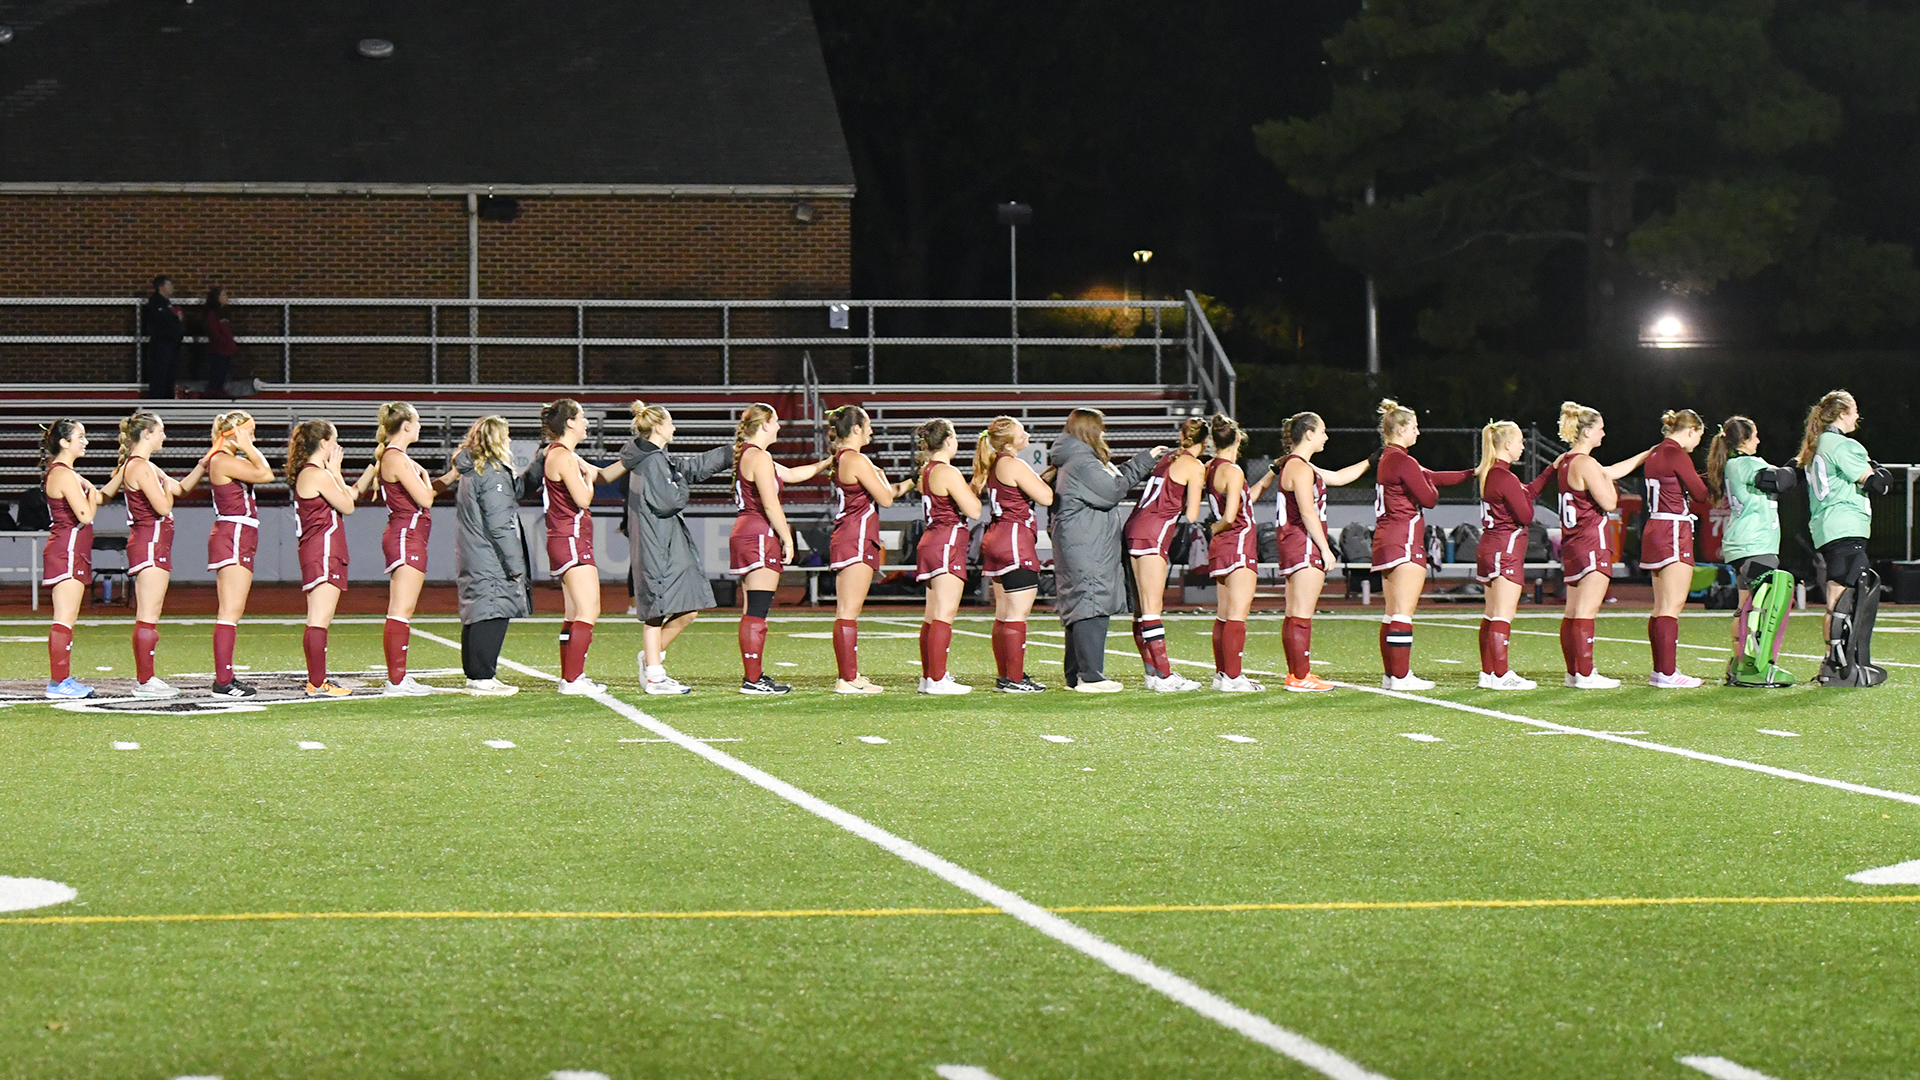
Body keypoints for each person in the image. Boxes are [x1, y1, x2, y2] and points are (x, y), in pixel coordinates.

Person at [615, 401, 733, 695]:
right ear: (658, 427)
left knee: (689, 606)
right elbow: (671, 500)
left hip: (666, 540)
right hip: (657, 542)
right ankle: (654, 674)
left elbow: (690, 468)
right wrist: (681, 483)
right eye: (670, 423)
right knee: (657, 608)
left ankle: (651, 659)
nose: (674, 427)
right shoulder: (652, 461)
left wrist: (729, 453)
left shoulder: (656, 457)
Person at [1049, 408, 1165, 692]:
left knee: (1082, 604)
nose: (1104, 434)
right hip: (1087, 544)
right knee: (1091, 602)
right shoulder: (1083, 462)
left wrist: (1145, 459)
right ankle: (1090, 675)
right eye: (1100, 428)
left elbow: (1113, 479)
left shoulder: (1079, 459)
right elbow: (1112, 490)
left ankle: (1076, 673)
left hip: (1082, 541)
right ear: (1089, 430)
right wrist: (1144, 463)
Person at [728, 403, 831, 695]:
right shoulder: (758, 456)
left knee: (753, 610)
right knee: (757, 611)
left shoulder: (753, 454)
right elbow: (771, 503)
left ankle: (754, 674)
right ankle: (752, 679)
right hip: (759, 532)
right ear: (764, 425)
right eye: (775, 422)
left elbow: (794, 475)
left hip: (747, 531)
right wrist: (788, 539)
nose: (779, 427)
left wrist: (826, 463)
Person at [1371, 399, 1474, 691]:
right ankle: (1401, 677)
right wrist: (1427, 487)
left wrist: (1472, 473)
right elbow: (1429, 496)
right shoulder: (1403, 460)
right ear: (1401, 428)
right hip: (1404, 539)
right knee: (1403, 612)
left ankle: (1392, 675)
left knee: (1392, 612)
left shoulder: (1388, 458)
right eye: (1414, 427)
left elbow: (1432, 476)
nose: (1418, 432)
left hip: (1386, 537)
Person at [1551, 402, 1654, 689]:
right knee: (1586, 612)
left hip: (1573, 544)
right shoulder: (1586, 463)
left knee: (1572, 612)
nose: (1604, 434)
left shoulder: (1567, 460)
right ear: (1586, 432)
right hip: (1591, 542)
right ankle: (1585, 673)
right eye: (1600, 429)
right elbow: (1609, 502)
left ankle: (1574, 672)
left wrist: (1645, 455)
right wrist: (1612, 487)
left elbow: (1609, 471)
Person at [1268, 411, 1370, 692]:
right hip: (1303, 543)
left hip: (1292, 543)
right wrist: (1326, 549)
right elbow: (1308, 512)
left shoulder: (1298, 464)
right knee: (1301, 614)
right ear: (1309, 434)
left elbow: (1337, 477)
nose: (1326, 436)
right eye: (1323, 431)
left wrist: (1371, 461)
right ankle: (1300, 677)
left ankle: (1297, 674)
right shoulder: (1299, 467)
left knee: (1294, 613)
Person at [1797, 389, 1891, 686]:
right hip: (1845, 524)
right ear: (1841, 413)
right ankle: (1841, 667)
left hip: (1827, 526)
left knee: (1836, 594)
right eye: (1853, 411)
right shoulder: (1840, 444)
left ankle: (1831, 663)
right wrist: (1880, 472)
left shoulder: (1815, 444)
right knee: (1845, 598)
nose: (1856, 417)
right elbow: (1877, 484)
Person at [118, 411, 207, 699]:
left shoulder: (146, 466)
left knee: (150, 614)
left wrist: (202, 466)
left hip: (152, 541)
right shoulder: (142, 468)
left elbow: (179, 488)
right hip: (150, 541)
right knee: (148, 615)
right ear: (147, 434)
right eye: (161, 431)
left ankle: (147, 678)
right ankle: (145, 681)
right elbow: (163, 506)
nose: (164, 437)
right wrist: (164, 489)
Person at [824, 405, 913, 694]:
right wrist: (883, 476)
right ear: (856, 428)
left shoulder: (844, 457)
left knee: (848, 610)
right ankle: (847, 678)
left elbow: (885, 493)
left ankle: (850, 675)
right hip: (856, 538)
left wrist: (912, 481)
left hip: (851, 536)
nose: (872, 430)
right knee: (848, 611)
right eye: (868, 425)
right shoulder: (856, 458)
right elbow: (886, 498)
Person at [369, 402, 455, 696]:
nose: (419, 427)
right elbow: (426, 498)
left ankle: (399, 677)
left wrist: (454, 474)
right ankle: (396, 680)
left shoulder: (400, 457)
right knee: (400, 610)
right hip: (406, 534)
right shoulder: (396, 458)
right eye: (417, 422)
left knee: (403, 610)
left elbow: (427, 492)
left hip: (409, 534)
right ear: (406, 425)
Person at [1706, 415, 1797, 687]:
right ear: (1744, 439)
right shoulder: (1746, 463)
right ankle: (1756, 666)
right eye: (1754, 435)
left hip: (1740, 545)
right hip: (1755, 544)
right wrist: (1799, 465)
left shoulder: (1733, 465)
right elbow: (1780, 481)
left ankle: (1738, 664)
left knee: (1745, 607)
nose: (1758, 440)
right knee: (1768, 605)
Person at [542, 398, 622, 695]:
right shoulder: (563, 456)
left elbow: (603, 475)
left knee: (574, 612)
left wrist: (633, 457)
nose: (587, 422)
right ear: (571, 422)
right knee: (589, 609)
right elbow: (585, 497)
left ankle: (570, 676)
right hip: (570, 537)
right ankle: (574, 679)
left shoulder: (563, 454)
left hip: (566, 537)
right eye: (583, 417)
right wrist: (587, 480)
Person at [1124, 417, 1209, 692]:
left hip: (1135, 524)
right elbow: (1193, 514)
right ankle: (1163, 675)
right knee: (1152, 607)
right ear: (1204, 442)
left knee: (1141, 609)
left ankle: (1152, 673)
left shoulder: (1167, 457)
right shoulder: (1194, 465)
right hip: (1154, 530)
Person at [972, 415, 1053, 693]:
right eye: (1022, 431)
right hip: (1014, 538)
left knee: (1003, 613)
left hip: (996, 536)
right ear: (1010, 440)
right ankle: (1014, 679)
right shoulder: (1013, 463)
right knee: (1017, 615)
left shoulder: (995, 463)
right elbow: (1046, 497)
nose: (1027, 435)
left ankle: (1007, 675)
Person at [40, 419, 118, 699]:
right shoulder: (63, 474)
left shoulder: (69, 473)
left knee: (67, 618)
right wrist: (89, 496)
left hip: (73, 549)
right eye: (80, 437)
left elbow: (99, 497)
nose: (86, 441)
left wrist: (122, 471)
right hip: (67, 548)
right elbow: (86, 514)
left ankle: (61, 680)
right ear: (64, 442)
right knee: (64, 619)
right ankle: (58, 683)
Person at [452, 416, 530, 696]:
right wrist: (515, 564)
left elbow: (515, 492)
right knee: (493, 609)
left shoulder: (473, 469)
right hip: (489, 554)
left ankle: (476, 675)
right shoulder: (493, 473)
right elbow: (500, 525)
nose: (509, 441)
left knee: (477, 611)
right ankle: (484, 676)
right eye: (506, 436)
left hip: (473, 550)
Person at [1472, 420, 1552, 690]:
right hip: (1505, 549)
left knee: (1492, 613)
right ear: (1507, 444)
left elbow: (1525, 493)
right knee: (1503, 615)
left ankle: (1488, 673)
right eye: (1519, 441)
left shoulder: (1495, 474)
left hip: (1491, 547)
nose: (1523, 446)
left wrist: (1550, 471)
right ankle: (1501, 674)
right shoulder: (1504, 476)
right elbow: (1526, 514)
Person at [205, 411, 274, 698]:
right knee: (230, 612)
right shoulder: (222, 459)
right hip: (233, 533)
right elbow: (266, 474)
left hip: (238, 533)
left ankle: (226, 678)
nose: (254, 438)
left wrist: (246, 447)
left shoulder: (227, 459)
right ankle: (223, 681)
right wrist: (247, 446)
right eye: (251, 432)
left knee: (232, 611)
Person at [912, 419, 984, 694]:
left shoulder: (926, 470)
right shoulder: (946, 470)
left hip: (932, 540)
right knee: (945, 613)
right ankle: (937, 679)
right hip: (946, 541)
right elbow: (974, 511)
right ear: (949, 440)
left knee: (932, 614)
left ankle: (929, 676)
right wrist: (975, 485)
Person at [1640, 409, 1710, 688]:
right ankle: (1667, 673)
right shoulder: (1676, 453)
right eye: (1698, 436)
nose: (1696, 444)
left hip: (1655, 526)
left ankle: (1661, 670)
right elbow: (1701, 494)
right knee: (1672, 605)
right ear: (1691, 430)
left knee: (1660, 606)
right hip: (1672, 529)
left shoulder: (1656, 452)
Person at [289, 420, 356, 697]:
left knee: (316, 617)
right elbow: (348, 505)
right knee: (319, 619)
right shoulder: (318, 474)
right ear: (324, 443)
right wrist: (337, 473)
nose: (337, 446)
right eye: (335, 441)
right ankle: (317, 683)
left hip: (314, 548)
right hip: (324, 548)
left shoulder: (310, 472)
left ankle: (316, 679)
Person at [1202, 414, 1261, 691]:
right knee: (1237, 614)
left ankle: (1222, 675)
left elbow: (1242, 499)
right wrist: (1215, 527)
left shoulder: (1210, 467)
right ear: (1238, 438)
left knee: (1224, 613)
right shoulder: (1234, 471)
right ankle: (1233, 678)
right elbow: (1229, 515)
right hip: (1238, 541)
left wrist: (1270, 474)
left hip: (1223, 546)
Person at [142, 276, 183, 400]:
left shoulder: (167, 303)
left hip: (171, 344)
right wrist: (175, 318)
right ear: (161, 287)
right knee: (160, 373)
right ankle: (158, 400)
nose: (171, 288)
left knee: (169, 374)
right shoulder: (155, 302)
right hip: (161, 344)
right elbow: (161, 321)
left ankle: (167, 398)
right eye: (168, 285)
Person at [202, 285, 238, 398]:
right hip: (219, 351)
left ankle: (218, 392)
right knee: (217, 375)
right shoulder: (212, 314)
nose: (226, 297)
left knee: (222, 375)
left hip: (226, 350)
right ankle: (213, 395)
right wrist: (226, 344)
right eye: (223, 295)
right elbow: (215, 334)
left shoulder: (224, 313)